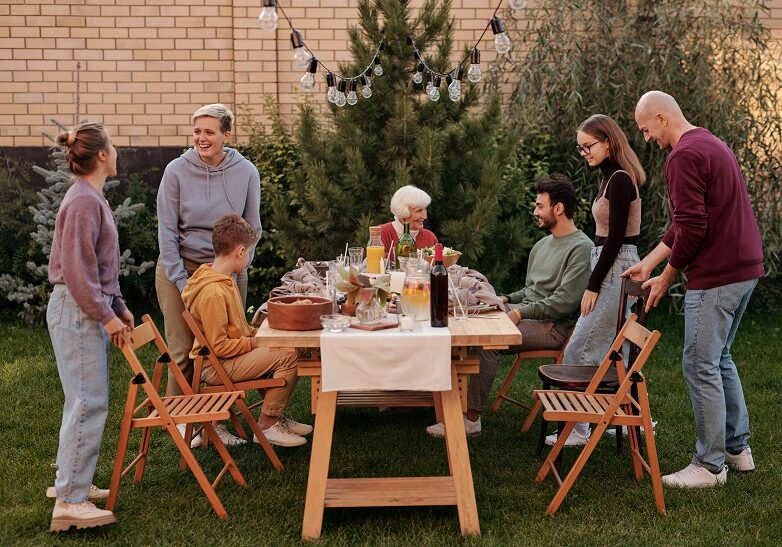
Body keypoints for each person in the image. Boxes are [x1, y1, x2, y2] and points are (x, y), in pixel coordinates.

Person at [626, 91, 764, 488]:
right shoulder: (710, 142)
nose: (647, 138)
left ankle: (709, 465)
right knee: (719, 358)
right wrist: (650, 262)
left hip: (718, 275)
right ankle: (738, 451)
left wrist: (667, 276)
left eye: (646, 128)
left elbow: (694, 227)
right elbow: (687, 221)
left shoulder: (682, 156)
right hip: (744, 269)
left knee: (700, 364)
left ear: (663, 118)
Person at [426, 174, 592, 437]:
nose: (535, 211)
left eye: (540, 206)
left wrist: (517, 312)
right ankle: (437, 402)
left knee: (489, 341)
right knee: (463, 324)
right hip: (529, 315)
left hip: (553, 327)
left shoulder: (581, 248)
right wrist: (505, 299)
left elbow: (564, 302)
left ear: (558, 208)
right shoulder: (542, 245)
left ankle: (470, 420)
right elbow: (531, 290)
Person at [46, 122, 133, 531]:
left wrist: (118, 304)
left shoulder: (90, 197)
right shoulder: (83, 201)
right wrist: (108, 317)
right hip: (77, 309)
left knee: (81, 398)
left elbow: (99, 267)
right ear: (101, 154)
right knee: (88, 400)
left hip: (83, 306)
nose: (116, 152)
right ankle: (70, 502)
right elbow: (79, 274)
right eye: (112, 146)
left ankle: (72, 482)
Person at [544, 114, 646, 447]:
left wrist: (592, 284)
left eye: (588, 146)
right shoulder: (608, 177)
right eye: (581, 148)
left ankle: (578, 428)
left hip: (616, 265)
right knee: (607, 346)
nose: (584, 152)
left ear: (607, 141)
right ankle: (620, 418)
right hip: (609, 262)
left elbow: (616, 237)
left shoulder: (619, 179)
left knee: (580, 345)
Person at [156, 103, 261, 418]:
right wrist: (182, 281)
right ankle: (181, 424)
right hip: (181, 269)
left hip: (228, 271)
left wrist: (235, 268)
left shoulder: (246, 172)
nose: (201, 138)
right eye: (197, 131)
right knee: (182, 353)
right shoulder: (176, 171)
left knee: (225, 347)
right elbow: (166, 230)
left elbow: (252, 228)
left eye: (209, 132)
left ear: (226, 135)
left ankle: (220, 420)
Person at [181, 214, 312, 447]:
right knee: (288, 354)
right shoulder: (212, 292)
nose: (249, 257)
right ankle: (268, 425)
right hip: (215, 367)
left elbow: (235, 329)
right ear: (240, 251)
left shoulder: (224, 280)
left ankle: (276, 417)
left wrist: (255, 333)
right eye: (249, 252)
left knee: (295, 346)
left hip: (230, 357)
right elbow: (218, 346)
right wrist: (256, 342)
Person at [378, 185, 438, 253]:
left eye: (425, 209)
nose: (425, 216)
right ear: (403, 211)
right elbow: (372, 262)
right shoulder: (381, 233)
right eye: (419, 210)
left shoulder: (430, 238)